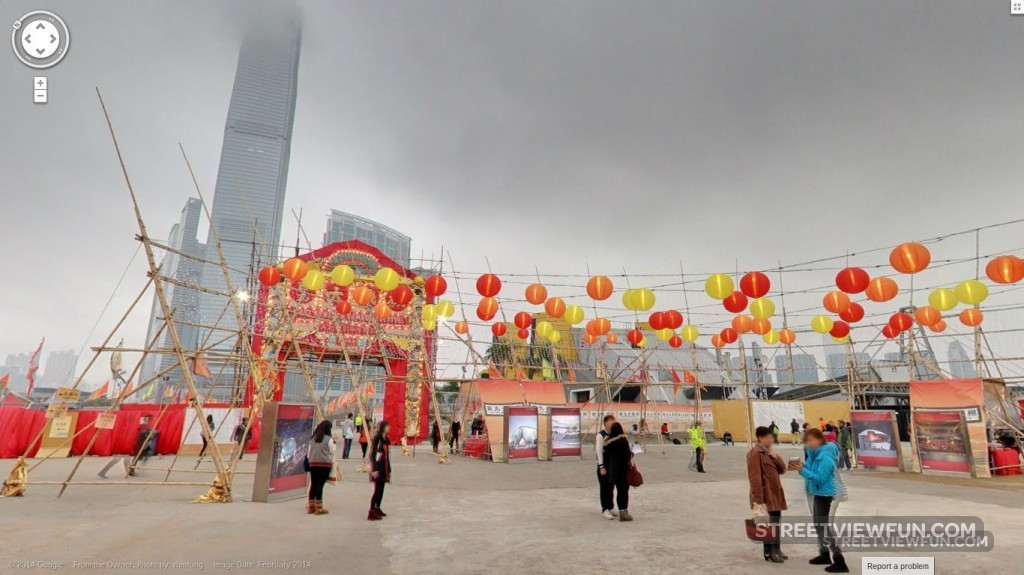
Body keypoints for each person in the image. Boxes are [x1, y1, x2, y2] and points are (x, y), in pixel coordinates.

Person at [791, 428, 848, 573]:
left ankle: (839, 561)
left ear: (819, 440)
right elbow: (811, 470)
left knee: (825, 527)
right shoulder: (814, 454)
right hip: (817, 493)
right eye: (806, 441)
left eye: (810, 440)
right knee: (818, 525)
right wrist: (802, 466)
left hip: (825, 494)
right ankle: (824, 554)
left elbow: (819, 478)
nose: (808, 444)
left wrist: (802, 470)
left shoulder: (825, 456)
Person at [747, 426, 788, 563]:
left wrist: (776, 457)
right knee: (767, 524)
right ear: (760, 438)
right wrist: (758, 500)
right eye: (769, 438)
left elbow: (783, 469)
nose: (771, 440)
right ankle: (769, 552)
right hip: (765, 495)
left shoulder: (769, 452)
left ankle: (777, 549)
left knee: (776, 522)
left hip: (775, 494)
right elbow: (754, 477)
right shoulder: (755, 453)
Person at [602, 422, 634, 522]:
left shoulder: (607, 442)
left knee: (610, 490)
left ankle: (609, 508)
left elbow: (605, 456)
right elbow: (628, 455)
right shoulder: (622, 440)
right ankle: (623, 513)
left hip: (611, 470)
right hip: (622, 470)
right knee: (623, 492)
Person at [306, 420, 335, 515]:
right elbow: (332, 451)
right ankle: (319, 508)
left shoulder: (312, 438)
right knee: (320, 485)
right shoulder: (329, 439)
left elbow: (308, 453)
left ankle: (311, 507)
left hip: (313, 464)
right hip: (324, 465)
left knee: (313, 484)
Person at [368, 420, 392, 520]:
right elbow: (372, 454)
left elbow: (387, 455)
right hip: (378, 467)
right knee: (377, 490)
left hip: (384, 467)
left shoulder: (385, 438)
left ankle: (377, 508)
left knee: (381, 489)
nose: (389, 428)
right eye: (387, 426)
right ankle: (371, 512)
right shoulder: (378, 439)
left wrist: (389, 468)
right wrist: (374, 468)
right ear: (383, 428)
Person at [595, 414, 618, 519]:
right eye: (611, 421)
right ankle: (605, 509)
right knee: (604, 487)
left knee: (611, 486)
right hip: (604, 465)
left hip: (613, 465)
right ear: (605, 423)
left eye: (614, 421)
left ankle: (611, 507)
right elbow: (599, 451)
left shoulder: (615, 434)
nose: (613, 423)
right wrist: (601, 466)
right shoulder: (600, 435)